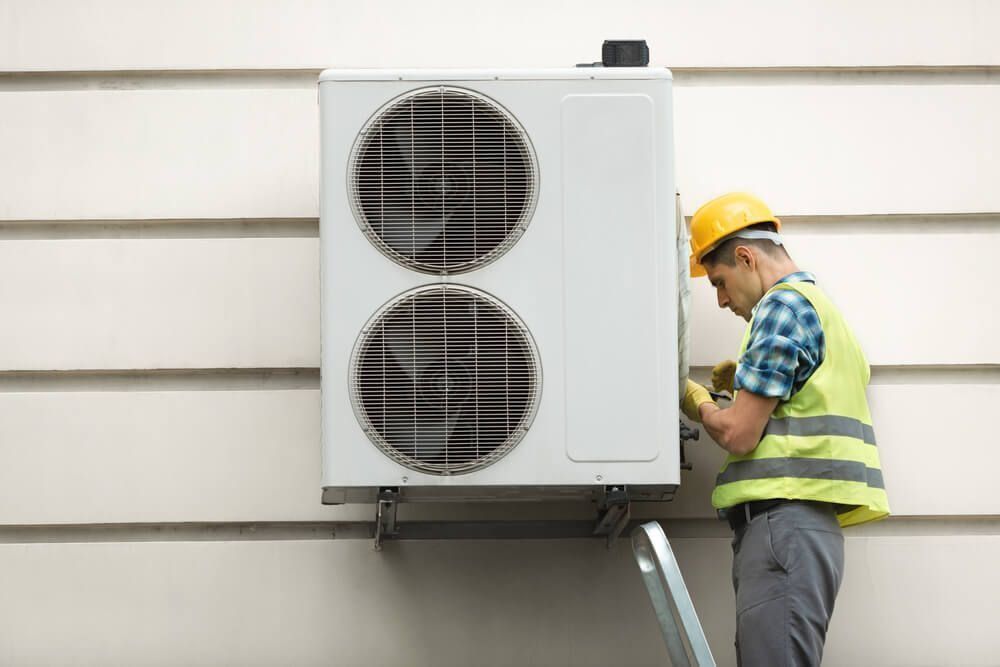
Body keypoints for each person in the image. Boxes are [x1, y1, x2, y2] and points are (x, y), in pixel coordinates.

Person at [680, 192, 890, 666]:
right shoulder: (822, 309)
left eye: (719, 282)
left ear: (746, 257)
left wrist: (698, 402)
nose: (721, 300)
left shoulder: (781, 308)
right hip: (804, 527)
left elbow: (739, 435)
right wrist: (750, 382)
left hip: (782, 525)